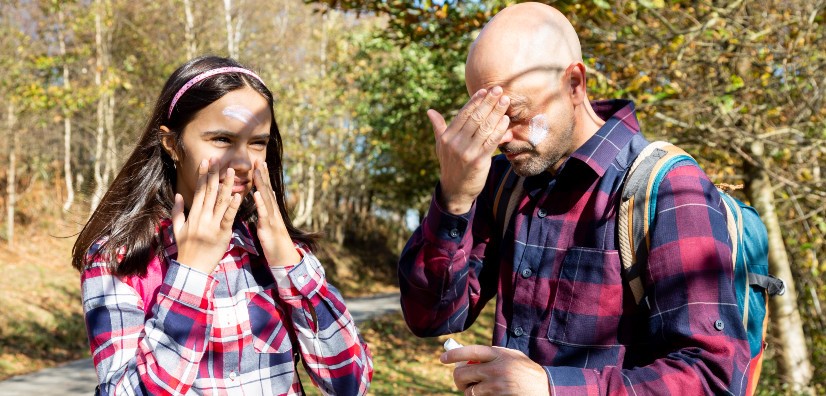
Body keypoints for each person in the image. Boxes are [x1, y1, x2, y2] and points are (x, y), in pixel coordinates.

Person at [398, 3, 750, 395]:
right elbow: (430, 317)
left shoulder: (666, 186)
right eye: (486, 118)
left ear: (575, 85)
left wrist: (552, 388)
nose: (498, 138)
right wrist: (455, 199)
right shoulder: (504, 182)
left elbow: (715, 377)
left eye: (513, 113)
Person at [72, 55, 372, 395]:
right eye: (222, 140)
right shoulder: (120, 259)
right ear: (172, 144)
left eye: (258, 142)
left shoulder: (272, 248)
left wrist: (289, 263)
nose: (244, 162)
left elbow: (351, 383)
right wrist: (192, 273)